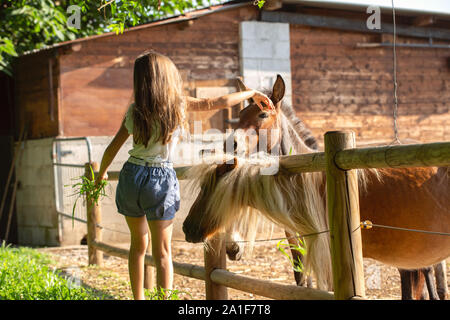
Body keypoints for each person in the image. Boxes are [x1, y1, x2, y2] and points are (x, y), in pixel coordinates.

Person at [95, 50, 273, 300]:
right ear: (167, 78)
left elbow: (112, 147)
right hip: (159, 180)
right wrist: (252, 94)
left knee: (137, 246)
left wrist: (100, 175)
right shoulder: (178, 105)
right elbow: (219, 101)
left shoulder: (134, 111)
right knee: (163, 252)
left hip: (131, 176)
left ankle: (138, 299)